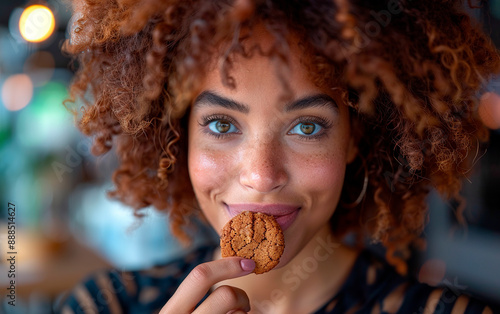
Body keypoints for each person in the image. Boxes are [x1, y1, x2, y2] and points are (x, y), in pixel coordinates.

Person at [57, 0, 500, 313]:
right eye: (222, 125)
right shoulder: (101, 304)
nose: (261, 175)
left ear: (353, 139)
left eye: (307, 126)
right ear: (179, 136)